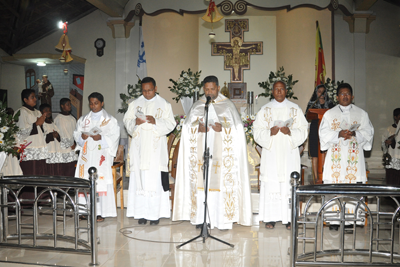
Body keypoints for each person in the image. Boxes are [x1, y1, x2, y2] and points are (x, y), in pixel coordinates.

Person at [172, 75, 252, 230]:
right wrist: (197, 129)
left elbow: (238, 129)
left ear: (217, 88)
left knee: (220, 184)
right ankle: (202, 219)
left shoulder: (227, 105)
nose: (209, 92)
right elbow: (187, 127)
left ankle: (222, 220)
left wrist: (224, 129)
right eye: (206, 89)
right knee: (203, 184)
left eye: (212, 89)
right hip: (202, 153)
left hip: (222, 155)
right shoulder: (198, 105)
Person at [253, 81, 308, 230]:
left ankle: (289, 218)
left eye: (281, 89)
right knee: (272, 183)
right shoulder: (265, 110)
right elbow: (256, 131)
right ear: (272, 91)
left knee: (287, 184)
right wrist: (269, 132)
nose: (279, 92)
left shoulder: (295, 109)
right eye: (276, 89)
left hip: (288, 153)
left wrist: (290, 132)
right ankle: (270, 218)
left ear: (286, 91)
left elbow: (303, 130)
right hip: (271, 153)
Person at [319, 83, 374, 230]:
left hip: (354, 158)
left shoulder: (361, 114)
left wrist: (355, 133)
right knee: (335, 186)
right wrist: (338, 134)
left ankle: (352, 221)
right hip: (336, 156)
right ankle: (334, 220)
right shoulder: (329, 114)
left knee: (353, 188)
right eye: (342, 94)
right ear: (337, 97)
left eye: (348, 93)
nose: (345, 96)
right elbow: (323, 134)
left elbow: (369, 133)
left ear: (352, 96)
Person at [123, 77, 176, 225]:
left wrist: (156, 121)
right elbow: (127, 122)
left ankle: (155, 215)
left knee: (153, 180)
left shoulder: (164, 104)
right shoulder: (134, 104)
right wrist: (135, 122)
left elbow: (171, 123)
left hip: (155, 150)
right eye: (144, 91)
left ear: (156, 88)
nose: (147, 94)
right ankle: (141, 214)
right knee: (140, 179)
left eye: (150, 90)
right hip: (139, 148)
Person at [74, 92, 120, 222]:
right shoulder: (83, 120)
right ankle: (85, 210)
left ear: (102, 103)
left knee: (100, 180)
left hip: (101, 156)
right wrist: (81, 138)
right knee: (85, 179)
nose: (93, 106)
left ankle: (100, 212)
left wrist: (102, 138)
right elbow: (77, 136)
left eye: (96, 103)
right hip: (86, 156)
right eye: (91, 103)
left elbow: (115, 137)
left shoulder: (110, 120)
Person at [305, 84, 334, 182]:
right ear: (316, 93)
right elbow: (306, 115)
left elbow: (335, 115)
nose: (321, 94)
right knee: (315, 153)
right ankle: (316, 178)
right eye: (319, 91)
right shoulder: (312, 103)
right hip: (314, 129)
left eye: (323, 91)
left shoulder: (330, 104)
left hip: (327, 129)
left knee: (325, 152)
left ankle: (325, 176)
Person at [15, 89, 49, 175]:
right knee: (30, 172)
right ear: (25, 99)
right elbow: (20, 132)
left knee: (40, 173)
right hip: (30, 148)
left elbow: (43, 130)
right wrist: (36, 124)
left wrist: (40, 125)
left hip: (40, 146)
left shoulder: (37, 112)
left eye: (35, 97)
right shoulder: (21, 112)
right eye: (32, 97)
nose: (35, 99)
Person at [54, 98, 78, 177]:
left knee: (72, 169)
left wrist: (75, 143)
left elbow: (75, 132)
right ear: (62, 106)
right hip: (63, 148)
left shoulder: (72, 118)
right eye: (67, 104)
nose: (70, 106)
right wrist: (70, 144)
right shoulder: (59, 118)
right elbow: (62, 133)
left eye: (70, 104)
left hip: (72, 147)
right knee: (65, 170)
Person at [39, 103, 62, 176]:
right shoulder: (42, 124)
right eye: (46, 110)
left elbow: (59, 136)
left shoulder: (52, 123)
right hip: (48, 150)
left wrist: (57, 135)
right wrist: (51, 135)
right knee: (48, 170)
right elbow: (41, 137)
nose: (48, 112)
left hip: (55, 149)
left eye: (49, 110)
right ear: (41, 112)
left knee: (55, 170)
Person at [382, 108, 400, 185]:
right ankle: (390, 194)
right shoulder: (389, 129)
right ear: (395, 117)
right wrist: (387, 141)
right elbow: (383, 141)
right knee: (392, 176)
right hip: (392, 155)